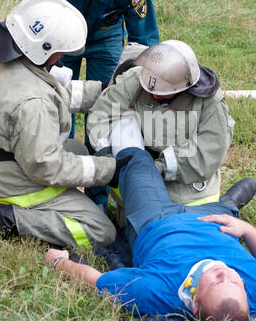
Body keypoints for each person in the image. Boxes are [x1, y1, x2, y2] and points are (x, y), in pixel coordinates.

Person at [44, 131, 256, 321]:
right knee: (227, 213)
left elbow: (99, 281)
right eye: (235, 282)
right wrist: (248, 230)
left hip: (157, 220)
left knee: (137, 161)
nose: (224, 273)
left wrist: (59, 263)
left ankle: (108, 158)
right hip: (213, 221)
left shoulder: (158, 292)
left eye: (217, 282)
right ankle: (230, 205)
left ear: (194, 305)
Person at [25, 0, 160, 211]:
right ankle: (60, 183)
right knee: (57, 100)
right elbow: (31, 12)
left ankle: (97, 196)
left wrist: (142, 79)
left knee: (107, 105)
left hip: (105, 37)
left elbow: (144, 39)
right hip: (61, 38)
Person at [0, 0, 131, 249]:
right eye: (59, 52)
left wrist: (108, 93)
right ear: (42, 49)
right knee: (101, 231)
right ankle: (9, 218)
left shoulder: (9, 60)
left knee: (76, 149)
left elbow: (54, 92)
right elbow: (46, 167)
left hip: (5, 153)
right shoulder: (33, 103)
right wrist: (109, 170)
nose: (61, 58)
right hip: (10, 181)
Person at [87, 40, 235, 226]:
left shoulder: (209, 102)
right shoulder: (135, 80)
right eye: (151, 90)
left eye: (163, 92)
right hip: (134, 198)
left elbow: (207, 153)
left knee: (181, 238)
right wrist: (111, 156)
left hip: (189, 200)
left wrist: (158, 167)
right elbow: (103, 116)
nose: (155, 95)